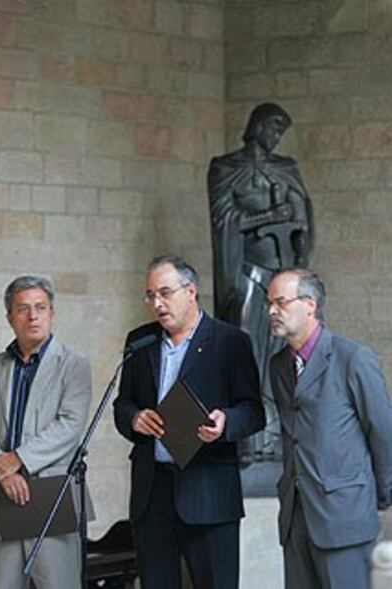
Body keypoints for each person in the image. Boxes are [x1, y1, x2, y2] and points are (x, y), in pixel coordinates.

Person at [113, 254, 265, 589]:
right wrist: (134, 418)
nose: (157, 303)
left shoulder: (230, 342)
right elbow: (122, 405)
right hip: (152, 496)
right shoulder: (140, 342)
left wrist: (225, 422)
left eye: (165, 293)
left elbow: (254, 411)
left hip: (209, 493)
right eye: (150, 295)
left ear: (191, 291)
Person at [267, 267, 392, 589]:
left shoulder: (353, 359)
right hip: (295, 519)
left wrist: (374, 497)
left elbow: (383, 432)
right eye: (269, 303)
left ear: (310, 304)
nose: (271, 311)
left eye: (281, 302)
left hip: (344, 518)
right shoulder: (278, 366)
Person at [208, 102, 314, 460]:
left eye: (280, 132)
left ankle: (276, 436)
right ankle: (247, 437)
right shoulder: (227, 168)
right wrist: (269, 215)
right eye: (271, 129)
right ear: (255, 127)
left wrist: (299, 261)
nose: (274, 137)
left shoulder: (286, 170)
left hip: (281, 273)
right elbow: (225, 220)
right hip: (248, 273)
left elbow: (303, 219)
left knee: (282, 348)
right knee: (246, 346)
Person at [0, 275, 92, 589]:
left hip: (51, 497)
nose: (33, 316)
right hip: (2, 496)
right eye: (23, 309)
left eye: (41, 307)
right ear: (9, 317)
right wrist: (1, 469)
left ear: (51, 313)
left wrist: (18, 459)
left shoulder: (74, 364)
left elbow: (70, 425)